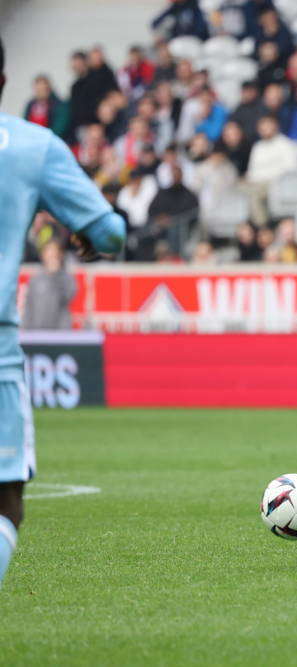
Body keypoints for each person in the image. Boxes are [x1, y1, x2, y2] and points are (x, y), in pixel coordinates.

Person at [0, 37, 126, 589]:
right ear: (7, 82)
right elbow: (111, 232)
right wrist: (86, 227)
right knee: (6, 503)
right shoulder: (29, 145)